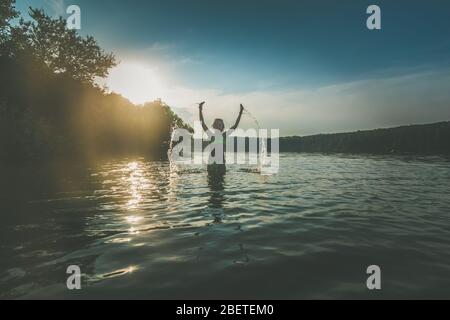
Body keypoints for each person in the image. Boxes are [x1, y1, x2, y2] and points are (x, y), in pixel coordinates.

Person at [199, 102, 244, 175]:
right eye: (216, 124)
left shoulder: (224, 135)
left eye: (220, 124)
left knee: (221, 181)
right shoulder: (210, 135)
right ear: (214, 126)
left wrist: (241, 112)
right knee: (212, 182)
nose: (218, 125)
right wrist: (200, 109)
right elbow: (202, 123)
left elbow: (235, 125)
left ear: (222, 127)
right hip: (211, 163)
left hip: (221, 163)